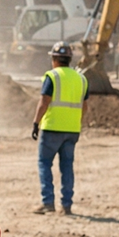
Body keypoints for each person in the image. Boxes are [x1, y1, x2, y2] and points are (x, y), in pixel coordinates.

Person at [31, 41, 87, 216]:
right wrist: (77, 123)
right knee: (67, 166)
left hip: (52, 128)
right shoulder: (81, 79)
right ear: (69, 59)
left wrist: (36, 122)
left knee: (44, 163)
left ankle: (48, 202)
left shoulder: (53, 76)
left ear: (55, 59)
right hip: (72, 130)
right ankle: (66, 205)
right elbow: (85, 107)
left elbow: (44, 102)